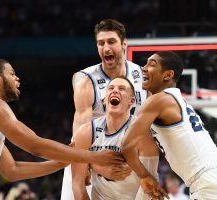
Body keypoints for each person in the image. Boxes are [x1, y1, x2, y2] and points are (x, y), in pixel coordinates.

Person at [0, 58, 124, 200]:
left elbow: (12, 170)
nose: (17, 79)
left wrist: (61, 162)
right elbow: (35, 146)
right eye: (12, 73)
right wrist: (94, 156)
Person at [61, 18, 147, 200]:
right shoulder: (86, 80)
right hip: (90, 153)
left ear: (124, 44)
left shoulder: (142, 75)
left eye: (111, 42)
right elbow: (80, 128)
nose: (106, 48)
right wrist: (91, 165)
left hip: (127, 156)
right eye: (101, 43)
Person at [122, 51, 217, 199]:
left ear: (168, 75)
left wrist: (145, 176)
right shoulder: (175, 99)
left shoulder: (159, 100)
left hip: (208, 181)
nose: (144, 68)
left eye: (152, 64)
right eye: (145, 63)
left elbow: (127, 146)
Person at [72, 77, 159, 200]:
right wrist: (94, 165)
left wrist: (91, 164)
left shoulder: (143, 133)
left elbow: (151, 183)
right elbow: (78, 184)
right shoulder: (86, 132)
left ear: (132, 101)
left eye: (122, 89)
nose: (115, 91)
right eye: (111, 88)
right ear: (103, 100)